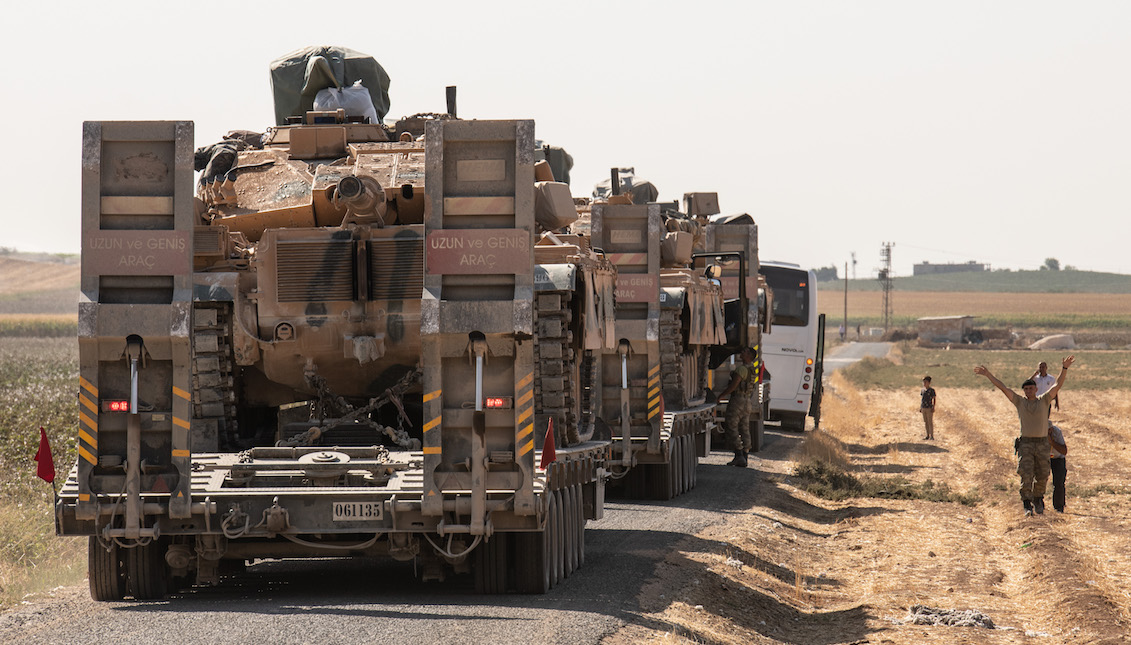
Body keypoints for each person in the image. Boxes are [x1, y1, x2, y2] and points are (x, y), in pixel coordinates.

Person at [973, 355, 1075, 516]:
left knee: (1042, 474)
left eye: (1031, 388)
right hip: (1026, 443)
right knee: (1026, 474)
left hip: (1042, 444)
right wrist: (988, 375)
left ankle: (1038, 498)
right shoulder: (1020, 402)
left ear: (1036, 389)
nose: (1028, 391)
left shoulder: (1044, 400)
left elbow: (1058, 385)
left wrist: (1065, 368)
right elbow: (1003, 388)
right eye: (1026, 389)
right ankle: (1027, 503)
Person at [719, 346, 758, 468]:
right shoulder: (752, 369)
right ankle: (745, 456)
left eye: (745, 351)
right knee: (744, 428)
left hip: (738, 400)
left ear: (749, 356)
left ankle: (739, 453)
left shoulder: (741, 369)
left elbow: (733, 386)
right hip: (747, 401)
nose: (742, 352)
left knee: (731, 425)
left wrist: (721, 396)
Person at [1048, 419, 1068, 513]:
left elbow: (1064, 451)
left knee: (1059, 482)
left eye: (1050, 430)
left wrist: (1052, 442)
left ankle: (1059, 507)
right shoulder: (1038, 433)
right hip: (1043, 458)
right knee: (1039, 479)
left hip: (1058, 458)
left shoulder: (1057, 432)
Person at [919, 376, 937, 440]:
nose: (924, 383)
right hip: (923, 407)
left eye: (925, 382)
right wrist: (921, 407)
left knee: (930, 422)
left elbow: (934, 399)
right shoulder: (922, 390)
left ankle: (932, 435)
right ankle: (927, 435)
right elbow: (922, 399)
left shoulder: (931, 390)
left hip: (929, 408)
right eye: (923, 382)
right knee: (926, 422)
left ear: (929, 383)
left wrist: (933, 407)